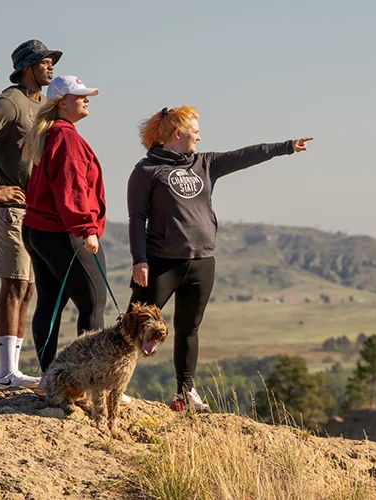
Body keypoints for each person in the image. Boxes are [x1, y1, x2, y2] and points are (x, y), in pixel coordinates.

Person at [127, 105, 313, 412]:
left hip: (202, 261)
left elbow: (244, 156)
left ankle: (185, 394)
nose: (200, 136)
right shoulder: (146, 171)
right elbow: (136, 218)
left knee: (189, 329)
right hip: (162, 263)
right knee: (133, 325)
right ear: (178, 133)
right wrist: (140, 260)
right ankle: (108, 381)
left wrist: (286, 147)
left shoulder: (205, 163)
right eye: (196, 131)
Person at [0, 40, 62, 389]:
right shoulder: (9, 102)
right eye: (44, 62)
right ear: (28, 67)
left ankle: (11, 370)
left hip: (32, 209)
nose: (50, 67)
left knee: (27, 287)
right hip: (7, 208)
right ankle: (5, 373)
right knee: (14, 284)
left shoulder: (42, 105)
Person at [21, 75, 107, 397]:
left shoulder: (50, 134)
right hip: (63, 232)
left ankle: (49, 380)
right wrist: (87, 228)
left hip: (38, 231)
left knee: (50, 304)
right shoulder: (66, 138)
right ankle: (91, 381)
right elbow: (71, 189)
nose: (86, 100)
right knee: (93, 302)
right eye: (79, 96)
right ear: (61, 103)